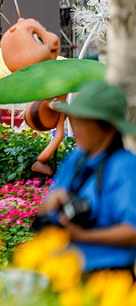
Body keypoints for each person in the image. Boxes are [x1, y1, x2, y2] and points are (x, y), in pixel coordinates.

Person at [33, 80, 136, 274]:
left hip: (110, 278)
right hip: (68, 271)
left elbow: (133, 231)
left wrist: (84, 236)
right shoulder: (76, 159)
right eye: (75, 119)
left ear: (108, 128)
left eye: (84, 121)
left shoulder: (124, 166)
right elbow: (45, 210)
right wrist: (49, 205)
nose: (76, 128)